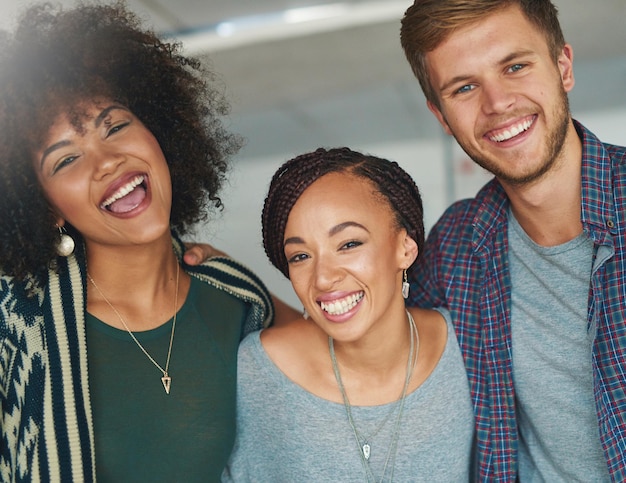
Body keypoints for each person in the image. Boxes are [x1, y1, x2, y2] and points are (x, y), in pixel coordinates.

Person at [0, 3, 281, 481]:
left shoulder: (235, 298)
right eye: (65, 161)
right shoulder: (15, 327)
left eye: (115, 126)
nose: (107, 161)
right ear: (43, 208)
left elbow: (343, 360)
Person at [400, 0, 626, 481]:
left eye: (516, 66)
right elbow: (373, 341)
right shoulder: (455, 246)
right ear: (441, 116)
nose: (497, 102)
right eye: (464, 87)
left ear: (563, 66)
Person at [222, 147, 474, 482]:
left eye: (349, 244)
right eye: (300, 256)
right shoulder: (256, 372)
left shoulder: (468, 349)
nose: (323, 278)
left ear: (405, 247)